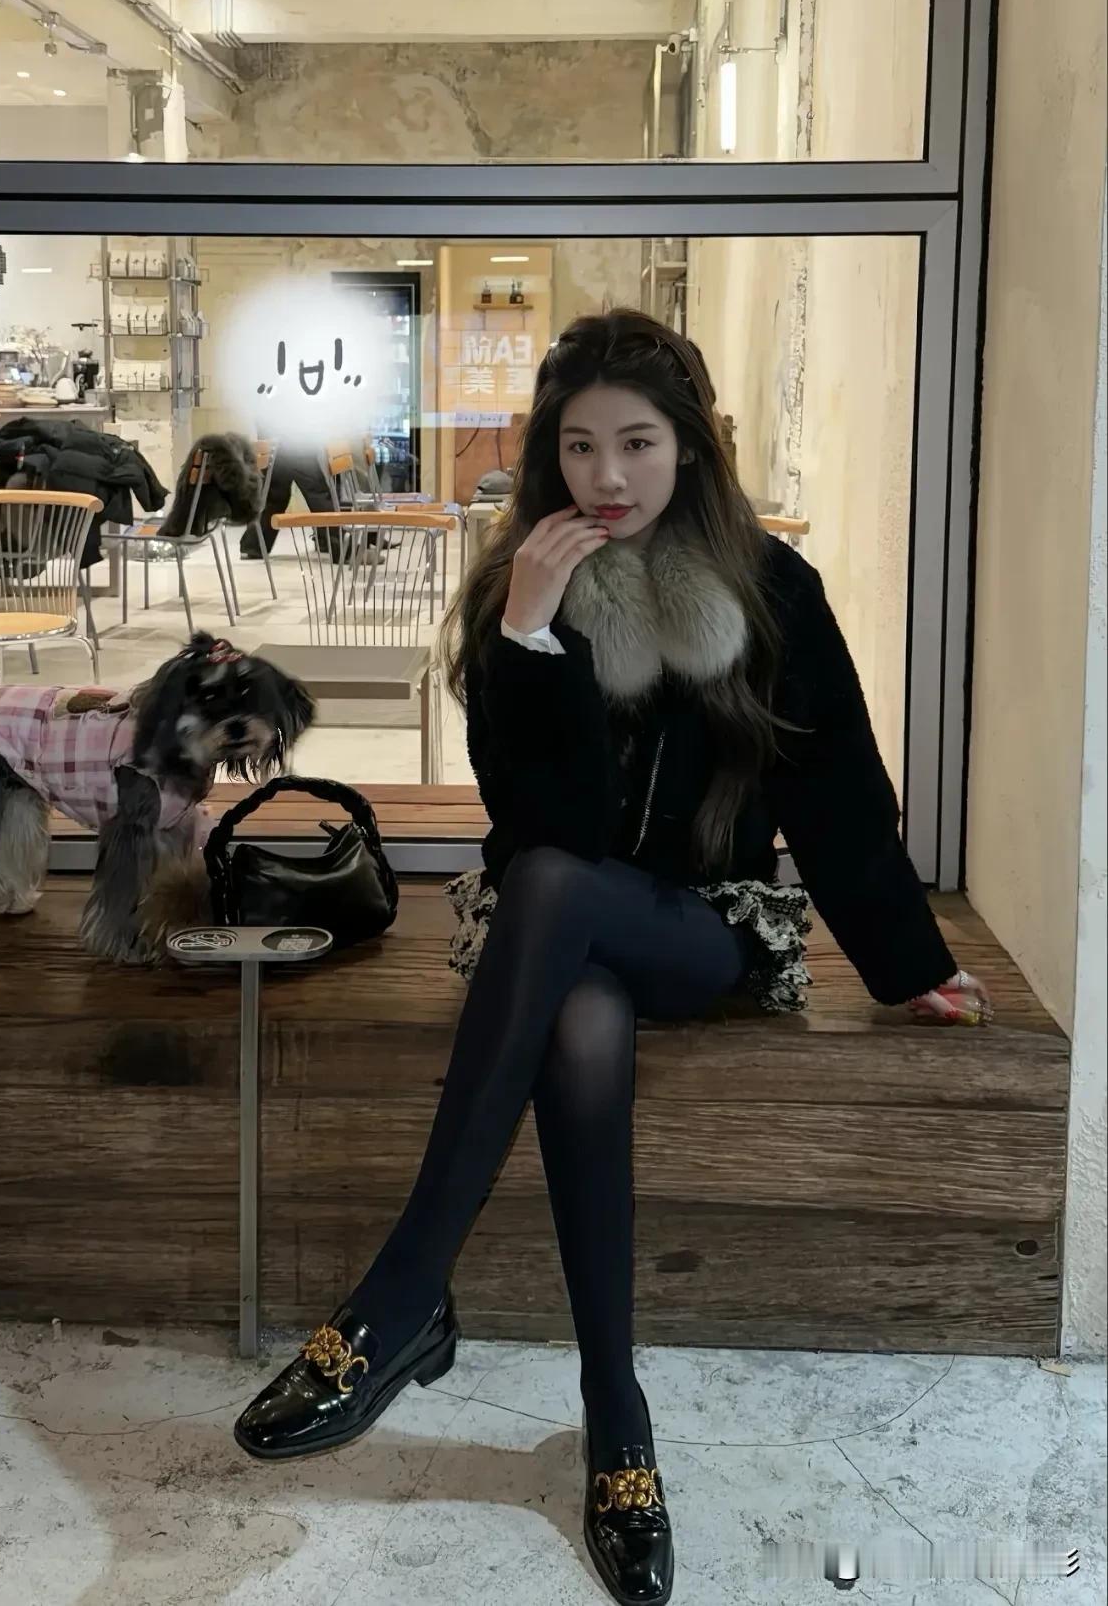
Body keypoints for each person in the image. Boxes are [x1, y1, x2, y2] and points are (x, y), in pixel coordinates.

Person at [232, 310, 992, 1606]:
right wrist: (529, 642)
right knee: (576, 998)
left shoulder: (770, 587)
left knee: (555, 898)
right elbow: (547, 826)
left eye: (637, 442)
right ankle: (615, 1420)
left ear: (688, 446)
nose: (607, 475)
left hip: (702, 927)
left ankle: (404, 1292)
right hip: (560, 932)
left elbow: (837, 791)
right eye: (578, 445)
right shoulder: (522, 583)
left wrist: (902, 957)